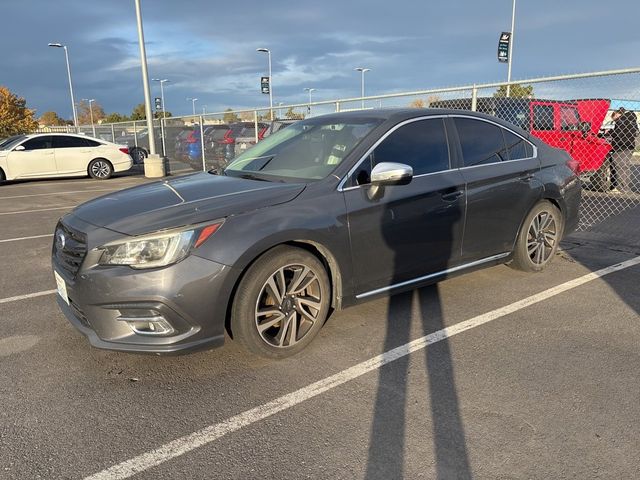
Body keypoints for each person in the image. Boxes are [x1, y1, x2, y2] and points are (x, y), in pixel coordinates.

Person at [609, 107, 638, 193]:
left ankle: (620, 188)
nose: (615, 121)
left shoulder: (622, 120)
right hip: (629, 146)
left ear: (617, 114)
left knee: (620, 166)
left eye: (614, 120)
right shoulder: (631, 119)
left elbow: (619, 133)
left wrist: (611, 133)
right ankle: (625, 187)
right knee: (625, 167)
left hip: (621, 146)